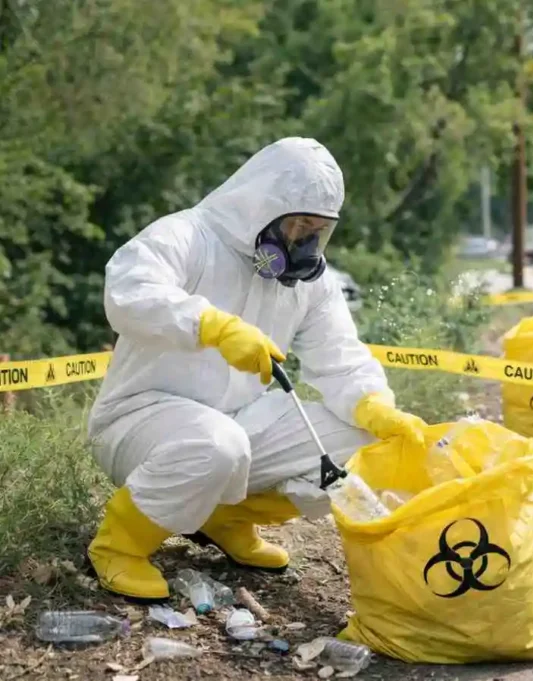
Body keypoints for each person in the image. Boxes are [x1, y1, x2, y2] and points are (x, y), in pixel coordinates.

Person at [86, 137, 426, 601]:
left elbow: (340, 355)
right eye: (299, 226)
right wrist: (210, 325)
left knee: (360, 441)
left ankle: (225, 518)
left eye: (318, 231)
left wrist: (375, 406)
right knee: (216, 446)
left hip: (238, 423)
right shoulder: (187, 235)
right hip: (140, 419)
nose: (306, 243)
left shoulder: (309, 284)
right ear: (261, 207)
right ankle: (119, 546)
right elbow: (126, 289)